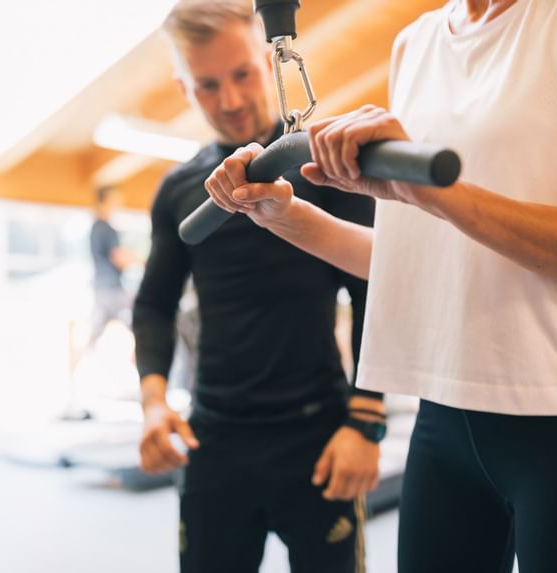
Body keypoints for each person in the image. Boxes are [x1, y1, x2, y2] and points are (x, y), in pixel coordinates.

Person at [204, 1, 557, 572]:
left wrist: (433, 192)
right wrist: (283, 215)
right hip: (445, 417)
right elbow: (422, 262)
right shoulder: (415, 43)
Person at [131, 2, 385, 572]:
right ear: (183, 87)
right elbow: (153, 303)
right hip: (214, 440)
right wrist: (153, 403)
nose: (230, 100)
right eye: (207, 85)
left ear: (268, 59)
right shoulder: (178, 189)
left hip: (317, 436)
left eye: (243, 74)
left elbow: (373, 290)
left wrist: (366, 420)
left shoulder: (323, 168)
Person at [89, 185, 136, 346]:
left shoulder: (97, 227)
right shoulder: (105, 228)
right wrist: (136, 260)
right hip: (111, 289)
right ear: (106, 200)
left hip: (102, 287)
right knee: (142, 316)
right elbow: (118, 258)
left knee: (94, 333)